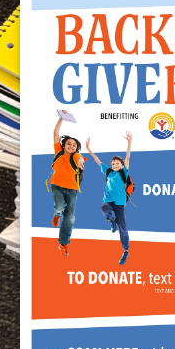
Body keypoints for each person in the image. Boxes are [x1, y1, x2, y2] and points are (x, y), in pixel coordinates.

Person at [87, 131, 133, 265]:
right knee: (104, 207)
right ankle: (111, 220)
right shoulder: (108, 171)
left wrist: (129, 142)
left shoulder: (123, 173)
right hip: (108, 200)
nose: (114, 165)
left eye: (117, 163)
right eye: (113, 164)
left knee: (123, 227)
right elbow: (97, 160)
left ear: (122, 165)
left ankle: (125, 251)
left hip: (119, 204)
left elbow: (128, 157)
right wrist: (88, 149)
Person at [49, 111, 87, 257]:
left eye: (74, 145)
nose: (71, 146)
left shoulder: (76, 156)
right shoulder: (58, 151)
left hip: (72, 191)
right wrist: (61, 118)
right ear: (63, 145)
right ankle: (57, 214)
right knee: (59, 207)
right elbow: (56, 132)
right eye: (69, 143)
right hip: (57, 186)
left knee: (70, 218)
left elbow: (79, 158)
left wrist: (80, 161)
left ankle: (63, 243)